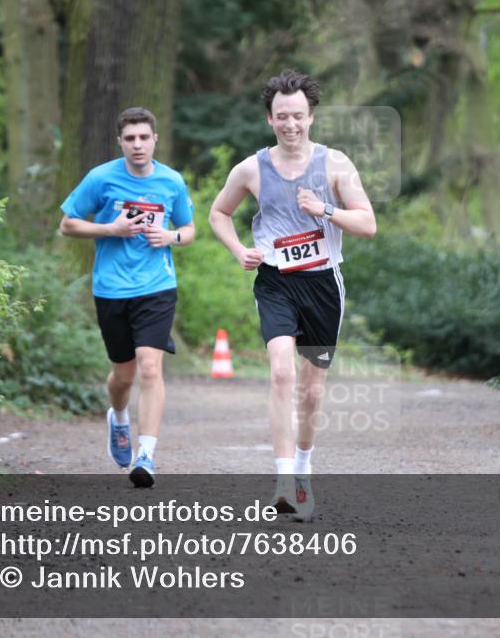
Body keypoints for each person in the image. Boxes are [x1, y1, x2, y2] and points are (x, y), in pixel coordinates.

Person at [209, 70, 377, 520]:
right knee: (281, 373)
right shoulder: (251, 168)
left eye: (298, 116)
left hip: (323, 283)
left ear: (311, 117)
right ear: (270, 119)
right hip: (276, 281)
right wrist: (238, 249)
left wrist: (324, 209)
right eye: (282, 116)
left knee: (312, 391)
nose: (290, 125)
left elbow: (368, 224)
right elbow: (219, 213)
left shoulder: (336, 164)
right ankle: (284, 480)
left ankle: (303, 466)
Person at [59, 107, 194, 488]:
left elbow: (189, 228)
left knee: (151, 367)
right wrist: (110, 228)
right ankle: (118, 418)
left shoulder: (172, 181)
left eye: (143, 137)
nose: (137, 144)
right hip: (112, 288)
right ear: (120, 142)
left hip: (157, 287)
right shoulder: (100, 178)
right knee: (123, 374)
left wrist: (172, 237)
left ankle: (146, 454)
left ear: (155, 140)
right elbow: (67, 224)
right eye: (130, 138)